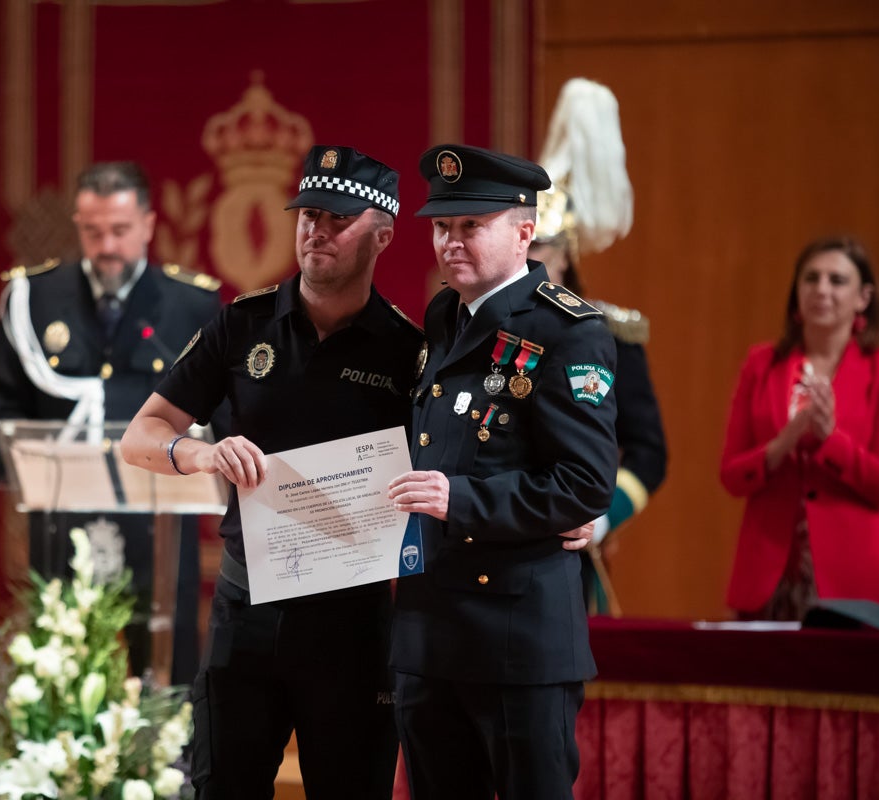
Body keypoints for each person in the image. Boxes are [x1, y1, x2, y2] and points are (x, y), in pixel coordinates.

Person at [121, 144, 421, 799]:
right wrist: (202, 454)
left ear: (383, 235)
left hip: (352, 622)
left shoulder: (409, 352)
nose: (317, 230)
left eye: (339, 219)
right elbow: (139, 437)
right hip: (246, 612)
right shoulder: (243, 324)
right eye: (309, 214)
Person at [386, 144, 620, 800]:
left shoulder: (569, 330)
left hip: (518, 638)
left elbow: (584, 483)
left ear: (524, 232)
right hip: (431, 633)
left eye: (472, 225)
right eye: (442, 226)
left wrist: (460, 500)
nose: (451, 241)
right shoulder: (444, 316)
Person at [0, 161, 222, 684]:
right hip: (61, 518)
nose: (107, 246)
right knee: (60, 670)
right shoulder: (34, 299)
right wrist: (21, 466)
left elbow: (219, 412)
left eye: (119, 230)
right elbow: (1, 404)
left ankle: (170, 738)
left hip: (158, 520)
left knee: (165, 671)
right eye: (93, 231)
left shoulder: (191, 304)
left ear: (148, 225)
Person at [529, 77, 668, 614]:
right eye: (522, 244)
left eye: (542, 246)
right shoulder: (480, 329)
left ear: (567, 254)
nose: (529, 258)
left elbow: (649, 452)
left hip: (570, 549)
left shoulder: (610, 334)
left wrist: (603, 517)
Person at [720, 235, 879, 620]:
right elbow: (732, 475)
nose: (821, 289)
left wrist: (830, 440)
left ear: (863, 298)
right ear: (797, 292)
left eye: (837, 280)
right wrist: (781, 444)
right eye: (811, 278)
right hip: (769, 576)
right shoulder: (762, 364)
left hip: (856, 580)